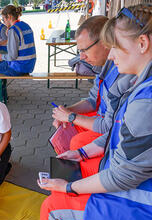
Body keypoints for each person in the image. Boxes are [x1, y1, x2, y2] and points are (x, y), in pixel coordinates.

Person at [39, 5, 152, 220]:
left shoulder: (144, 99)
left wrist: (69, 187)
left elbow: (122, 177)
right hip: (133, 180)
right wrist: (80, 153)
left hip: (143, 205)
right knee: (70, 174)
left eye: (115, 46)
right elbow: (117, 133)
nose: (111, 54)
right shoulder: (140, 84)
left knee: (53, 208)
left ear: (142, 44)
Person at [52, 16, 135, 178]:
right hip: (107, 126)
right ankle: (67, 173)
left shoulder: (123, 73)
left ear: (105, 42)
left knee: (76, 142)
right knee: (67, 129)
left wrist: (71, 117)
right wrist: (68, 111)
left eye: (84, 50)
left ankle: (71, 178)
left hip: (112, 137)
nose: (81, 57)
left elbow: (109, 128)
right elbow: (93, 101)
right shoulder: (105, 67)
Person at [0, 5, 36, 102]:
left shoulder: (13, 30)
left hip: (20, 67)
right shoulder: (25, 25)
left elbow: (12, 56)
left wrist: (2, 56)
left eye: (3, 19)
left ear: (9, 17)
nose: (3, 22)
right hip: (30, 64)